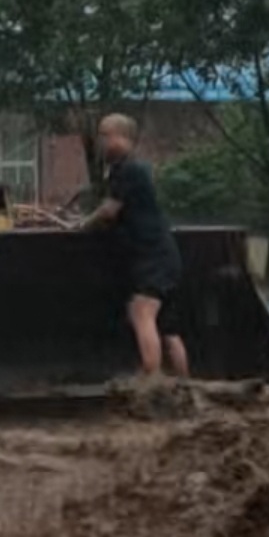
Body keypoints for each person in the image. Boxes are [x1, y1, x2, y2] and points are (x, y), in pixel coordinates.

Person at [79, 114, 189, 378]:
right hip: (165, 257)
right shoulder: (131, 170)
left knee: (141, 310)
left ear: (123, 137)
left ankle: (151, 379)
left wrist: (82, 225)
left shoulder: (128, 170)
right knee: (168, 328)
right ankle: (184, 384)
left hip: (152, 258)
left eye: (106, 135)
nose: (101, 142)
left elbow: (109, 210)